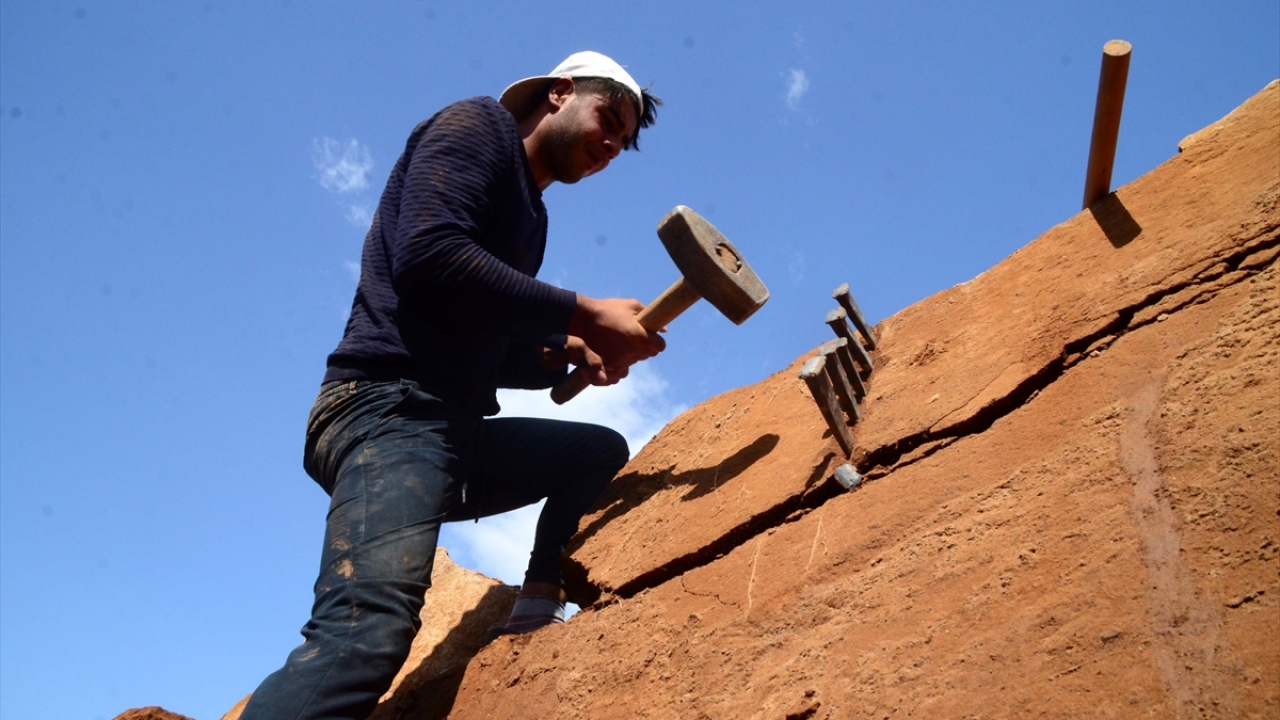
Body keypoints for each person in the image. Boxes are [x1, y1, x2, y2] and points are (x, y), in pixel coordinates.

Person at [239, 51, 665, 720]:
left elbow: (482, 349)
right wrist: (582, 311)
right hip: (387, 410)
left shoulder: (534, 219)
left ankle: (534, 607)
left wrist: (561, 353)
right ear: (559, 93)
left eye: (623, 140)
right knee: (365, 635)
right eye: (607, 119)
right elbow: (430, 256)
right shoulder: (477, 127)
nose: (611, 145)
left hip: (449, 433)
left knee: (595, 452)